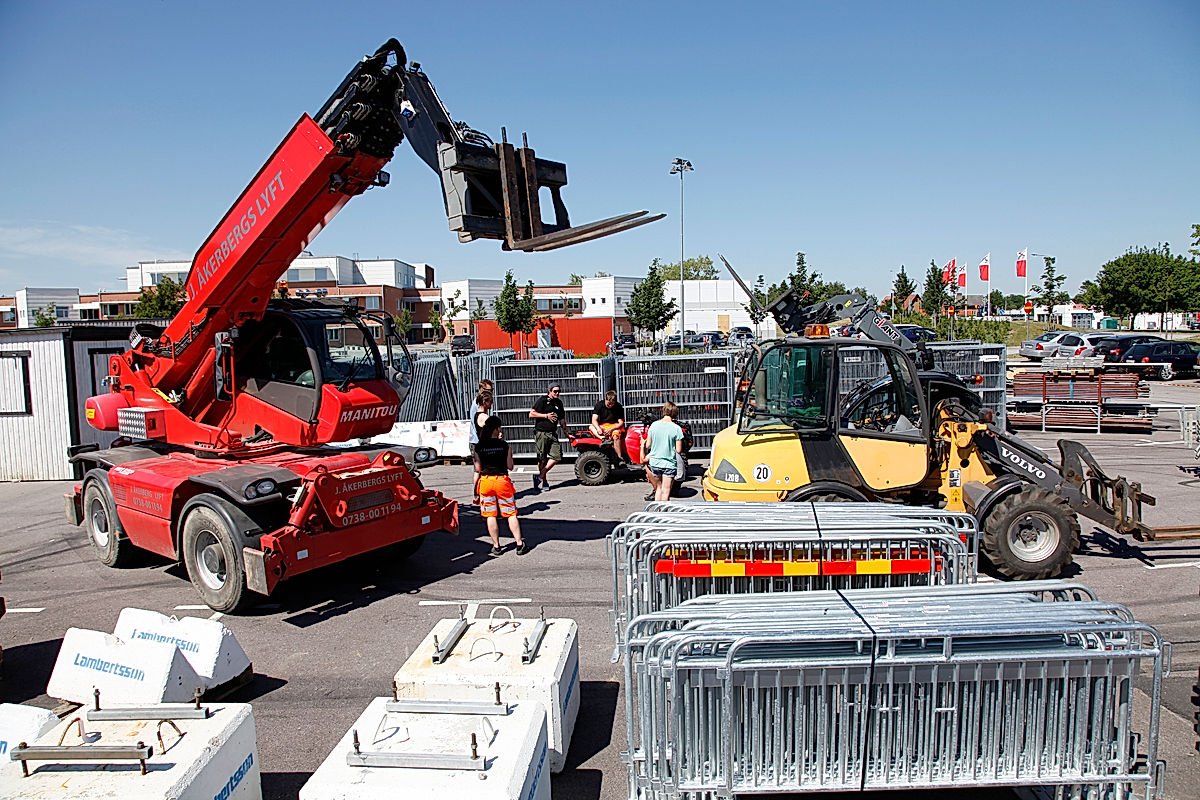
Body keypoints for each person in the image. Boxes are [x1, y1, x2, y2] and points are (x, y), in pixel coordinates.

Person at [473, 416, 528, 556]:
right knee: (510, 513)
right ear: (497, 429)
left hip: (485, 481)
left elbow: (478, 468)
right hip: (502, 481)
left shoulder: (479, 446)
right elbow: (510, 466)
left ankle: (496, 546)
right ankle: (519, 544)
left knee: (490, 515)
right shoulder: (504, 445)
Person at [641, 401, 685, 502]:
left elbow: (648, 445)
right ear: (675, 413)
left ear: (664, 411)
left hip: (655, 462)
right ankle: (664, 514)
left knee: (658, 489)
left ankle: (657, 512)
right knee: (666, 491)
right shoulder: (677, 429)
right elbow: (679, 450)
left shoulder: (654, 425)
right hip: (669, 463)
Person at [529, 382, 568, 492]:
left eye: (559, 391)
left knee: (557, 456)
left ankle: (539, 476)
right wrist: (546, 416)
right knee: (542, 458)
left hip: (552, 433)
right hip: (542, 433)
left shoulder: (559, 403)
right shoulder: (543, 400)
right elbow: (531, 413)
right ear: (549, 391)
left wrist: (567, 433)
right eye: (555, 391)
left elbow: (562, 420)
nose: (557, 393)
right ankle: (544, 481)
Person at [590, 389, 628, 464]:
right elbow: (594, 420)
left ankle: (619, 458)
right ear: (605, 399)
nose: (610, 405)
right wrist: (598, 428)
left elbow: (621, 422)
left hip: (614, 426)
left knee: (616, 436)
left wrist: (612, 429)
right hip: (603, 426)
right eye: (609, 403)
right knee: (591, 427)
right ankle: (603, 439)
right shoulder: (599, 405)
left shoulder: (618, 406)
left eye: (612, 404)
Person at [470, 389, 493, 501]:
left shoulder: (476, 415)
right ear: (484, 402)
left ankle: (477, 494)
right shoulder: (485, 418)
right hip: (486, 448)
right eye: (490, 401)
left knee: (478, 471)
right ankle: (483, 494)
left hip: (480, 446)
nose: (491, 404)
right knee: (484, 472)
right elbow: (492, 434)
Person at [467, 379, 494, 456]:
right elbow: (477, 427)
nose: (490, 393)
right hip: (477, 442)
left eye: (491, 390)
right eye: (488, 390)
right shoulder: (477, 405)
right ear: (481, 389)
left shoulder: (481, 405)